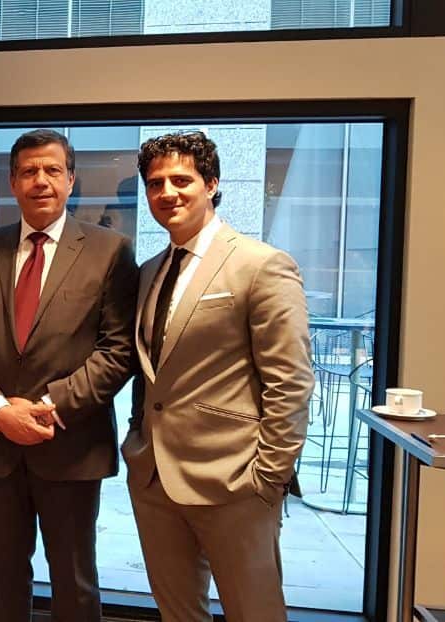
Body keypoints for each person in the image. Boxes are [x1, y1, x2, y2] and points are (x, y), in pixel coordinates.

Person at [0, 129, 138, 621]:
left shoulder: (109, 251)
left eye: (52, 170)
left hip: (70, 446)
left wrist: (50, 407)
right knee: (2, 581)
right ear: (12, 183)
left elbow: (118, 351)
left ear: (71, 180)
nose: (41, 181)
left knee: (74, 583)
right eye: (29, 171)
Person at [122, 131, 313, 621]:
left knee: (255, 613)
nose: (168, 192)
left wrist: (267, 478)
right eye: (156, 183)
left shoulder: (260, 265)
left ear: (211, 184)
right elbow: (150, 376)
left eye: (181, 179)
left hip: (236, 484)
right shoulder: (149, 271)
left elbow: (290, 383)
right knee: (177, 613)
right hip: (154, 481)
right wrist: (135, 441)